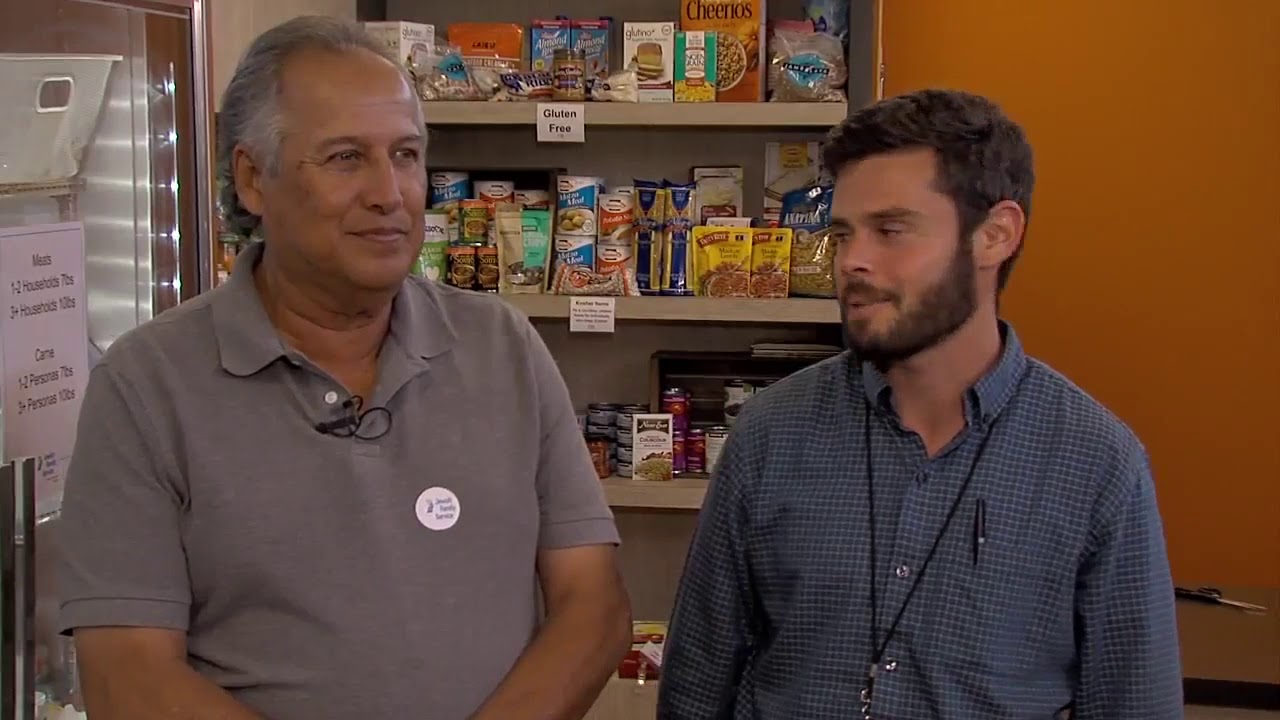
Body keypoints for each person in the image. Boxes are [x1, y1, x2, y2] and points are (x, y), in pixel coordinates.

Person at [56, 16, 631, 720]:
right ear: (252, 179)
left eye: (407, 155)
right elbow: (129, 679)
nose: (390, 193)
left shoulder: (501, 347)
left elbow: (593, 608)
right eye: (345, 158)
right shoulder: (146, 386)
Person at [657, 89, 1182, 719]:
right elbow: (695, 685)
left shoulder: (1096, 464)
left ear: (994, 235)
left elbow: (1134, 705)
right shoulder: (771, 434)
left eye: (891, 230)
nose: (852, 262)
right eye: (844, 233)